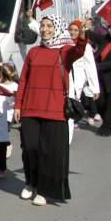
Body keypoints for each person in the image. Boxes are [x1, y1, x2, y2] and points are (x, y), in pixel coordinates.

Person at [14, 16, 85, 206]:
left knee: (49, 153)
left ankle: (44, 190)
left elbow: (79, 51)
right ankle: (31, 183)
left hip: (54, 109)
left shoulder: (65, 51)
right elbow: (24, 81)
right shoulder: (34, 52)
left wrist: (83, 35)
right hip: (30, 107)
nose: (45, 29)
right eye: (43, 26)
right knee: (30, 148)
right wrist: (18, 105)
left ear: (58, 28)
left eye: (49, 26)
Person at [67, 20, 100, 126]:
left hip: (77, 80)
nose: (73, 32)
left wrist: (95, 87)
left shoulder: (86, 46)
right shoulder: (64, 43)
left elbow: (90, 67)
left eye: (76, 30)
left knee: (73, 103)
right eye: (70, 30)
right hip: (65, 78)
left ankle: (71, 124)